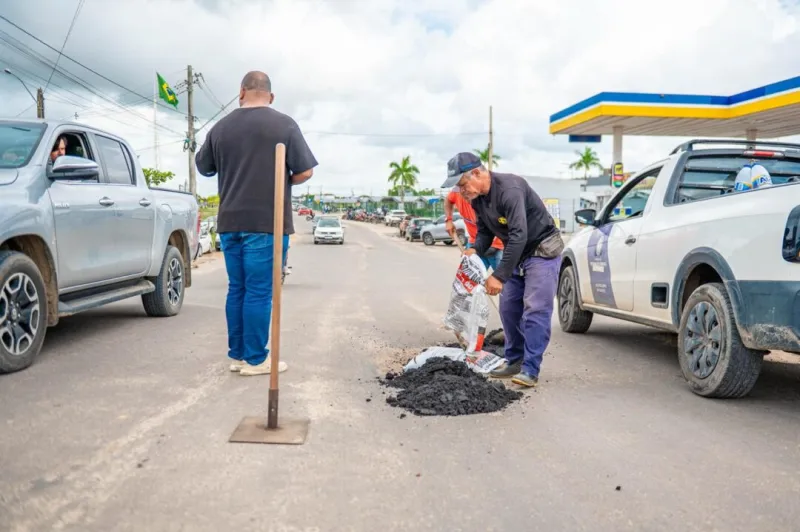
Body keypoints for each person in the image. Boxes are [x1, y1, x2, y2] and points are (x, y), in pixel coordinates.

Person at [195, 71, 317, 376]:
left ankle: (237, 355)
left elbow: (204, 167)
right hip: (267, 222)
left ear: (241, 92)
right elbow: (305, 172)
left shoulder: (220, 128)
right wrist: (281, 181)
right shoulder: (284, 124)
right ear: (271, 96)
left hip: (229, 221)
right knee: (260, 291)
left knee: (237, 288)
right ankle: (255, 359)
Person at [441, 152, 564, 388]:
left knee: (535, 308)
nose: (461, 191)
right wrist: (475, 249)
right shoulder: (477, 198)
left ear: (477, 173)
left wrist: (498, 275)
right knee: (508, 308)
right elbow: (486, 230)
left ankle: (530, 368)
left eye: (462, 184)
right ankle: (514, 360)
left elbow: (520, 234)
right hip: (517, 252)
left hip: (542, 250)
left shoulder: (510, 189)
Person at [444, 186, 504, 272]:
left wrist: (494, 246)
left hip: (496, 246)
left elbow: (502, 225)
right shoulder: (457, 191)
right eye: (461, 190)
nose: (463, 193)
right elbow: (448, 200)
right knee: (469, 280)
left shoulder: (488, 198)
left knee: (504, 281)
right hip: (473, 243)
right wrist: (448, 220)